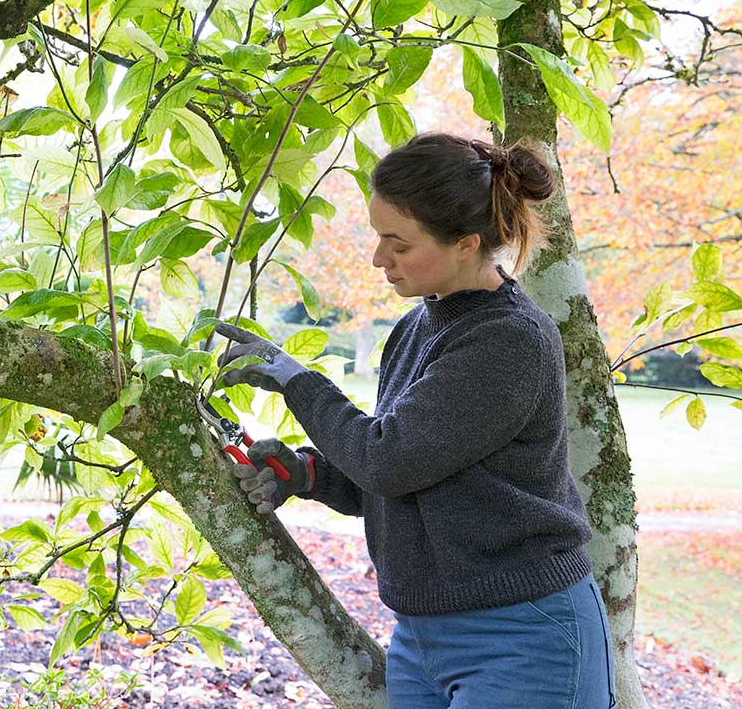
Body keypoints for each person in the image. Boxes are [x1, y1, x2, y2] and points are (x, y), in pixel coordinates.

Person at [214, 132, 616, 709]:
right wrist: (308, 475)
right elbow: (414, 469)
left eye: (397, 244)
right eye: (379, 238)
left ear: (466, 243)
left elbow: (389, 459)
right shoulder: (417, 328)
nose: (379, 259)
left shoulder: (508, 340)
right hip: (422, 636)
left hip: (524, 638)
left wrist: (292, 379)